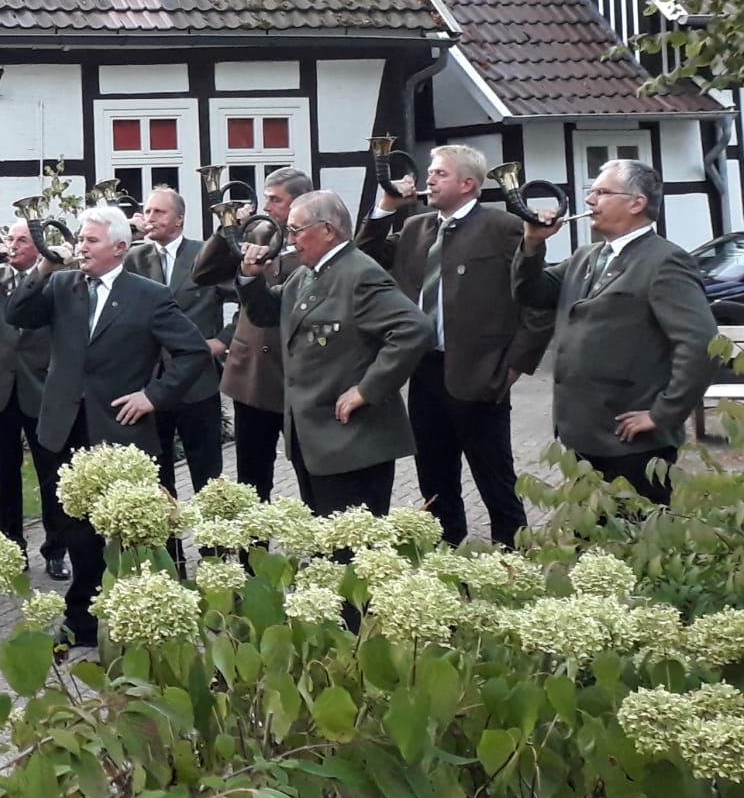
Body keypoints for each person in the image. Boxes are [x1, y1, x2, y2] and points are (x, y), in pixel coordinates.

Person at [7, 205, 208, 648]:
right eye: (80, 239)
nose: (81, 246)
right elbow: (17, 313)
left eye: (91, 240)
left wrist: (153, 396)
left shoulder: (149, 295)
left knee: (125, 530)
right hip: (64, 426)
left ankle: (145, 615)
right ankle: (83, 617)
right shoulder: (62, 284)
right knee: (74, 527)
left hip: (119, 429)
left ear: (120, 247)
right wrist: (44, 264)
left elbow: (193, 352)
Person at [357, 145, 552, 546]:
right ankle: (447, 556)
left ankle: (512, 558)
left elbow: (536, 301)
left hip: (482, 372)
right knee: (434, 475)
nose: (429, 179)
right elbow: (366, 255)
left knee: (494, 477)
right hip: (425, 369)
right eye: (430, 172)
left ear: (468, 184)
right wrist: (386, 207)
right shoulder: (417, 228)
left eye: (440, 173)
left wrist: (516, 365)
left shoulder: (503, 227)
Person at [512, 159, 715, 505]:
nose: (590, 201)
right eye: (591, 192)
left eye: (602, 192)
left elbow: (700, 344)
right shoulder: (586, 257)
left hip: (629, 439)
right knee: (590, 544)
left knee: (632, 543)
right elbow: (531, 293)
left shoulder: (665, 261)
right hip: (581, 434)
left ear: (637, 203)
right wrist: (532, 243)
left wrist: (662, 413)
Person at [237, 190, 433, 515]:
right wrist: (250, 277)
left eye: (296, 230)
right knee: (325, 547)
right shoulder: (306, 274)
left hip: (352, 442)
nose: (290, 239)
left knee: (351, 551)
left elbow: (414, 329)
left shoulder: (360, 273)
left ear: (327, 230)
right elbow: (269, 313)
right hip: (315, 439)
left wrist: (367, 390)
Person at [196, 168, 311, 500]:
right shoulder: (257, 232)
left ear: (299, 202)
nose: (268, 206)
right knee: (252, 477)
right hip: (252, 377)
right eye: (266, 198)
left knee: (308, 470)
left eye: (276, 199)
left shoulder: (315, 244)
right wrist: (226, 229)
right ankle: (253, 551)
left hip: (294, 374)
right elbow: (203, 274)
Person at [124, 186, 228, 497]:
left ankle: (213, 545)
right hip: (150, 382)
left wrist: (221, 342)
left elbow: (249, 303)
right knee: (157, 476)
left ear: (179, 220)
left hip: (198, 382)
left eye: (159, 212)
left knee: (207, 474)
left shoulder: (205, 255)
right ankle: (169, 546)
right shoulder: (134, 258)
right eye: (148, 211)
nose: (150, 217)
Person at [0, 220, 70, 581]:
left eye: (20, 240)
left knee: (51, 473)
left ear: (38, 244)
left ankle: (55, 550)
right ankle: (11, 546)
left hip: (40, 385)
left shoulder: (56, 278)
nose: (12, 246)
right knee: (6, 473)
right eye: (9, 239)